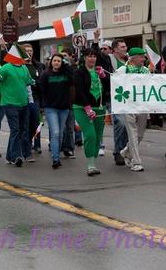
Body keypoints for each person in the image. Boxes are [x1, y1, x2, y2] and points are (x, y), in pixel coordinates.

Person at [92, 31, 129, 165]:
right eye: (122, 47)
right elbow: (97, 56)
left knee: (128, 125)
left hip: (128, 97)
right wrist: (96, 41)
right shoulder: (109, 59)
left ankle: (126, 150)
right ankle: (118, 152)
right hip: (112, 96)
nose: (125, 49)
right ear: (114, 50)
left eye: (125, 46)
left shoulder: (129, 61)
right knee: (119, 121)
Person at [0, 54, 33, 167]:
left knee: (20, 130)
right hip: (9, 103)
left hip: (23, 103)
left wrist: (31, 100)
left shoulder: (24, 68)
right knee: (15, 130)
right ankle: (17, 156)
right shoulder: (6, 68)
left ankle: (10, 156)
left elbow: (28, 84)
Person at [72, 47, 106, 176]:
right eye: (89, 56)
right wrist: (87, 107)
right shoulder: (79, 72)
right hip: (82, 108)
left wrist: (103, 76)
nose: (92, 58)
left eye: (94, 56)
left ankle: (94, 162)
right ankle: (90, 165)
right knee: (90, 135)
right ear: (84, 58)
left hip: (99, 107)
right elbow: (79, 91)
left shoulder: (99, 71)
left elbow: (107, 88)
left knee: (98, 136)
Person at [117, 47, 151, 172]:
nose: (143, 59)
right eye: (141, 56)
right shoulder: (122, 70)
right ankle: (136, 162)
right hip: (128, 105)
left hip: (142, 105)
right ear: (133, 58)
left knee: (140, 134)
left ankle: (126, 151)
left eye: (143, 56)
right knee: (132, 134)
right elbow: (116, 85)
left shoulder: (146, 71)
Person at [37, 53, 73, 169]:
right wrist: (42, 106)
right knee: (55, 132)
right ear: (51, 62)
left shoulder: (66, 74)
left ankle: (57, 153)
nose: (56, 62)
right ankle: (55, 159)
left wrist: (67, 65)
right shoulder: (46, 74)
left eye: (59, 61)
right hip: (50, 108)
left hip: (64, 108)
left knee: (61, 133)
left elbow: (74, 79)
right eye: (55, 60)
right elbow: (40, 89)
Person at [23, 43, 45, 156]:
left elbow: (43, 83)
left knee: (36, 122)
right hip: (23, 98)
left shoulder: (39, 66)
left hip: (36, 97)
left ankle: (37, 145)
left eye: (30, 50)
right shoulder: (20, 65)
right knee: (26, 123)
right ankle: (27, 145)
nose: (29, 52)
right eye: (26, 50)